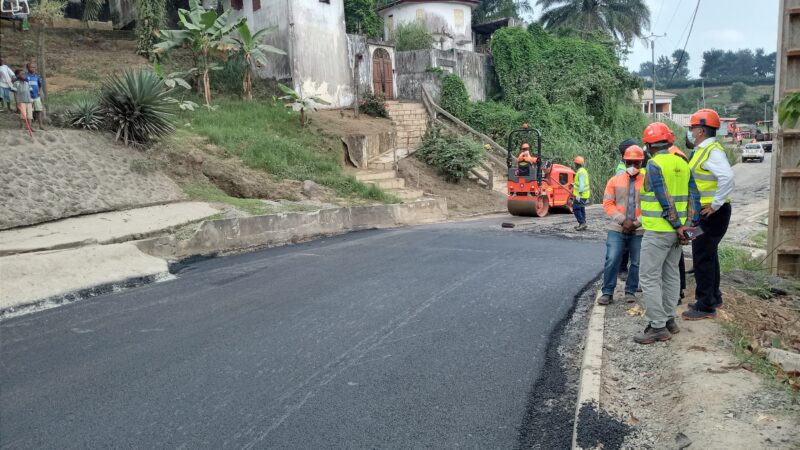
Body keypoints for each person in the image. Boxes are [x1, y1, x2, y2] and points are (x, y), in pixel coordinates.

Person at [634, 122, 702, 344]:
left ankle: (657, 327)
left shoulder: (654, 165)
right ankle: (669, 319)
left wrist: (676, 225)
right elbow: (694, 197)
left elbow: (665, 199)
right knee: (671, 274)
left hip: (659, 231)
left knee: (649, 278)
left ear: (648, 145)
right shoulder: (683, 163)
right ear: (669, 141)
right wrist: (688, 226)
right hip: (678, 233)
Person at [683, 108, 735, 321]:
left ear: (701, 131)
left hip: (712, 213)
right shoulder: (704, 150)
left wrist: (715, 204)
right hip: (709, 212)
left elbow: (727, 178)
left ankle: (705, 307)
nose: (690, 132)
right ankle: (713, 297)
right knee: (709, 255)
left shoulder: (712, 151)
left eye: (692, 128)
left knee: (702, 256)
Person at [597, 145, 645, 305]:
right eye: (629, 162)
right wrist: (623, 220)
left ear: (641, 163)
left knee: (637, 261)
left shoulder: (647, 182)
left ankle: (630, 291)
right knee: (612, 258)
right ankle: (607, 292)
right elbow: (608, 203)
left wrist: (636, 223)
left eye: (636, 163)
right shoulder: (614, 181)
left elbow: (651, 206)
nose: (632, 166)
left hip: (639, 230)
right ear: (624, 162)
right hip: (617, 228)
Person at [616, 139, 638, 280]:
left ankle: (626, 270)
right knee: (625, 245)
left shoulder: (632, 167)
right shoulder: (621, 171)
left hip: (634, 215)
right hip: (625, 215)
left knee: (630, 247)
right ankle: (622, 269)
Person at [572, 156, 590, 231]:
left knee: (576, 208)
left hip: (581, 194)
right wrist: (573, 185)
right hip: (584, 194)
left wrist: (579, 194)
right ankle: (583, 223)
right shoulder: (583, 170)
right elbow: (580, 183)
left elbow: (582, 185)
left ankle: (582, 223)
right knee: (581, 208)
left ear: (576, 164)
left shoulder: (581, 172)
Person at [26, 63, 45, 130]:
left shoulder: (37, 77)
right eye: (31, 67)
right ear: (27, 68)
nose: (33, 68)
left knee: (39, 110)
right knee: (29, 111)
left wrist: (39, 91)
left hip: (36, 96)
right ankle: (30, 126)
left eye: (34, 67)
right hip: (28, 97)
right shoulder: (25, 76)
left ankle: (41, 126)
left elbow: (40, 85)